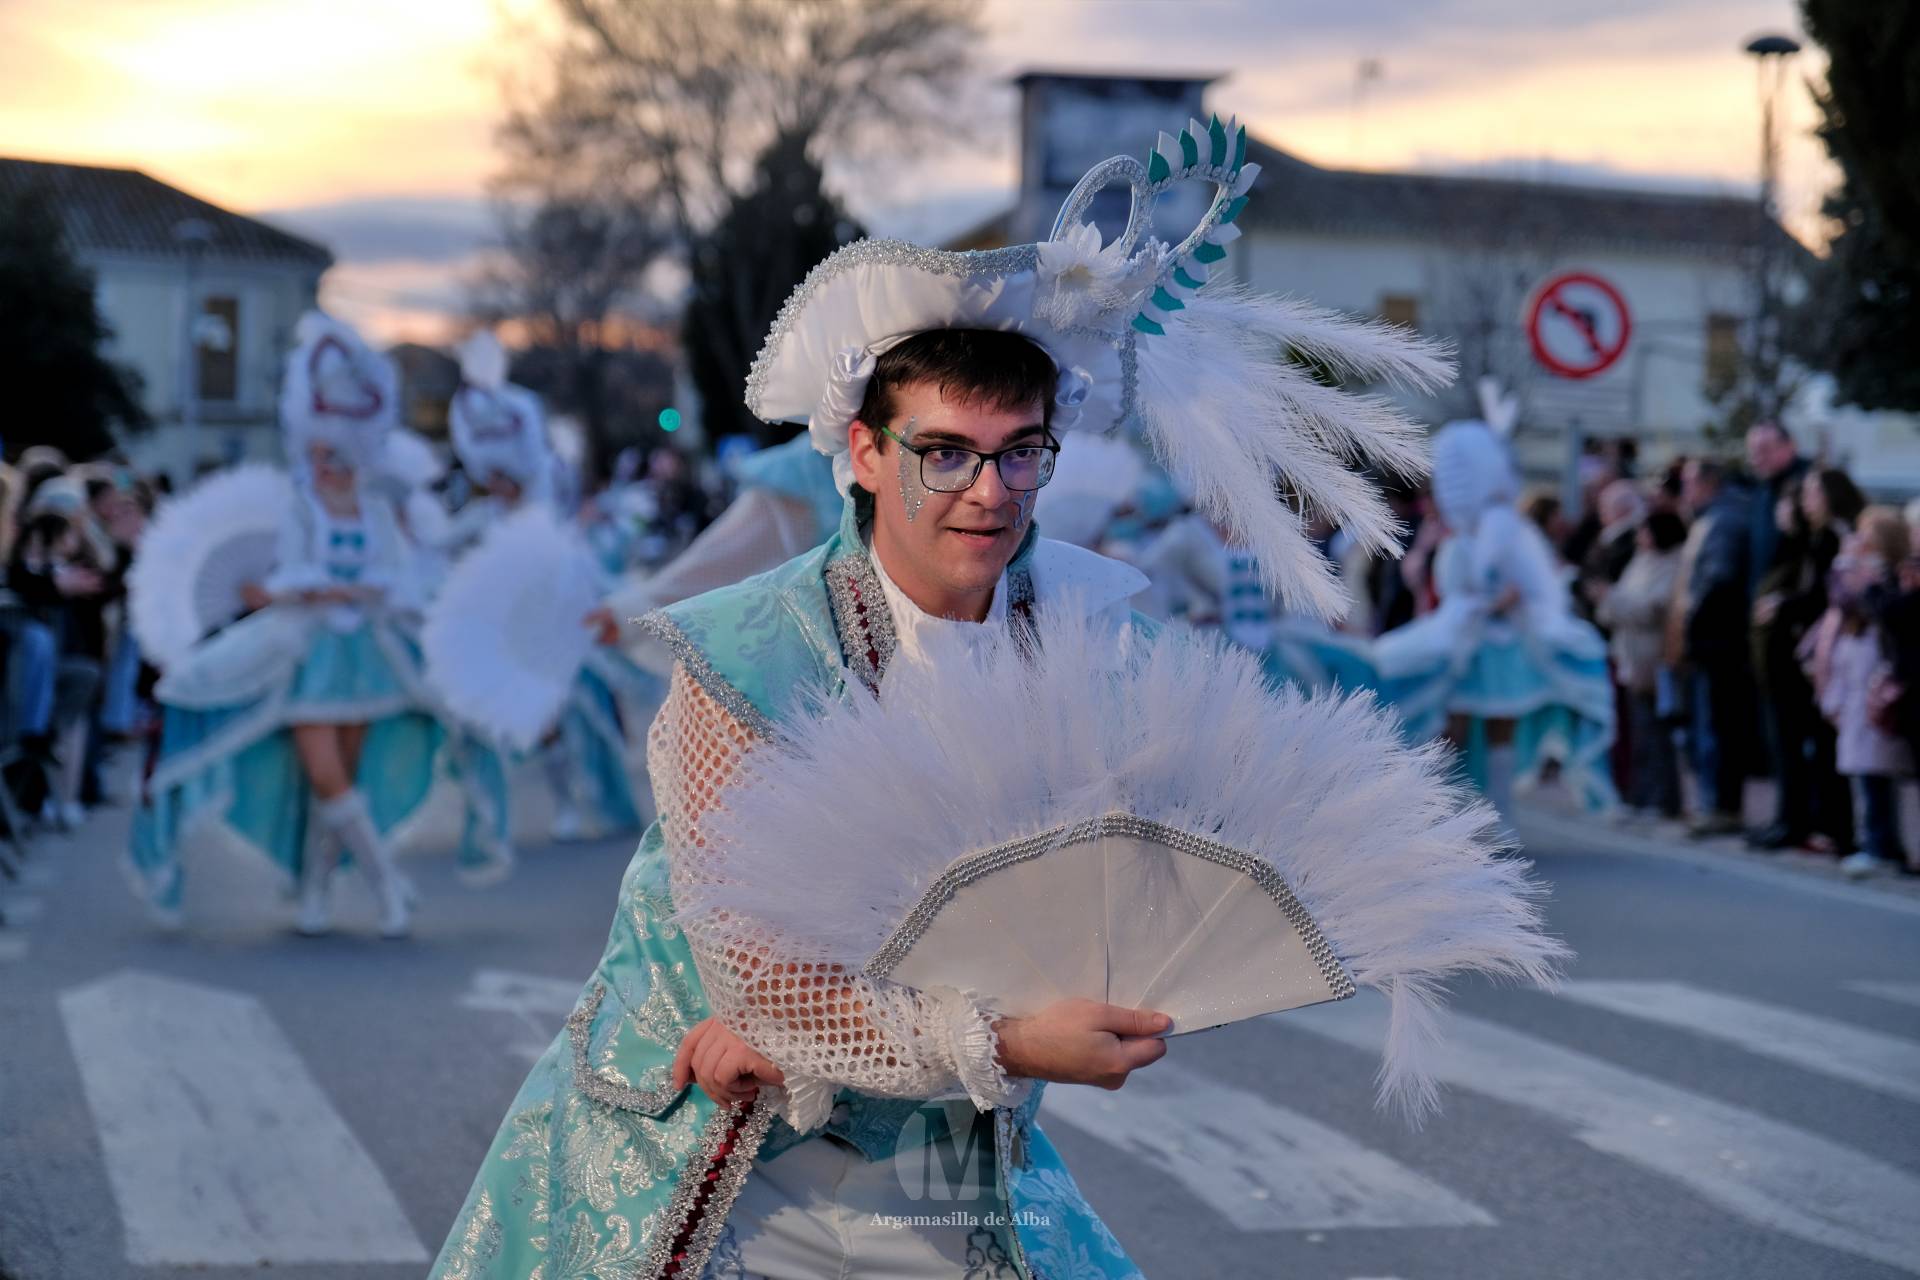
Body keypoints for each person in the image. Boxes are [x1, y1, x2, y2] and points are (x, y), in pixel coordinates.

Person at [433, 115, 1453, 1280]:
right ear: (864, 453)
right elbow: (766, 982)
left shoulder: (1081, 635)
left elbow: (1120, 887)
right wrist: (998, 1033)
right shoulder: (742, 656)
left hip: (944, 1167)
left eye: (1022, 452)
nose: (990, 492)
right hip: (717, 1163)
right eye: (945, 453)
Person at [127, 313, 454, 935]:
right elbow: (295, 571)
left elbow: (395, 574)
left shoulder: (377, 507)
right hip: (309, 653)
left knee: (340, 783)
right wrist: (318, 588)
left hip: (368, 653)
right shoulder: (300, 507)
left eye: (334, 453)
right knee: (327, 776)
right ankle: (389, 888)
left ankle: (315, 893)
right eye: (318, 452)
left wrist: (348, 588)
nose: (324, 463)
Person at [1373, 420, 1617, 818]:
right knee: (1453, 729)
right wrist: (1491, 601)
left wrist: (1509, 600)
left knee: (1497, 731)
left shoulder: (1505, 534)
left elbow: (1533, 586)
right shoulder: (1460, 540)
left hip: (1503, 648)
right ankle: (1439, 811)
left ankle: (1495, 815)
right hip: (1467, 645)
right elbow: (1457, 593)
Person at [1807, 509, 1915, 877]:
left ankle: (1882, 846)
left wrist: (1861, 578)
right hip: (1856, 674)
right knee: (1863, 766)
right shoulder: (1866, 575)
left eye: (1867, 536)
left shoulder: (1890, 578)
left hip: (1877, 674)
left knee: (1877, 767)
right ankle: (1876, 843)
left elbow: (1877, 609)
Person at [1674, 457, 1753, 835]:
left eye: (1689, 481)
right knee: (1712, 726)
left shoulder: (1722, 520)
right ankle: (1715, 804)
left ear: (1708, 483)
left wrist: (1691, 620)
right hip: (1714, 641)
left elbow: (1718, 579)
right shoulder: (1713, 517)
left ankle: (1719, 807)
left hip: (1717, 643)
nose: (1685, 489)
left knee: (1716, 728)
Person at [1595, 509, 1687, 818]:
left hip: (1653, 657)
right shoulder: (1641, 560)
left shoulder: (1673, 562)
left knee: (1656, 732)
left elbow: (1652, 608)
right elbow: (1619, 603)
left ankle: (1663, 799)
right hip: (1630, 654)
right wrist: (1611, 602)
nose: (1639, 537)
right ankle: (1641, 794)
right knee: (1639, 731)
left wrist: (1612, 600)